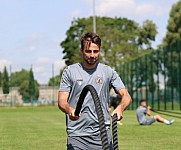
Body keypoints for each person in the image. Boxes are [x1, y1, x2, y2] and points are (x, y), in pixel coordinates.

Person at [58, 32, 132, 150]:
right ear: (81, 51)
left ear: (99, 50)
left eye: (95, 51)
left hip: (102, 134)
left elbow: (126, 96)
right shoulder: (70, 72)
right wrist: (69, 110)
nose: (92, 55)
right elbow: (62, 101)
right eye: (88, 51)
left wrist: (120, 108)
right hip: (77, 135)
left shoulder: (108, 71)